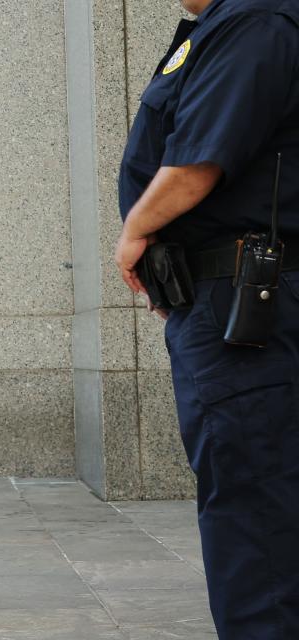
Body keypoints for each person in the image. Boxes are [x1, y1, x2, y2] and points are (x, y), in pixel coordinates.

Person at [115, 0, 299, 636]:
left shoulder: (257, 19)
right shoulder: (223, 24)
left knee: (252, 502)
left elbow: (197, 161)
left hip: (244, 302)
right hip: (226, 296)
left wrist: (136, 230)